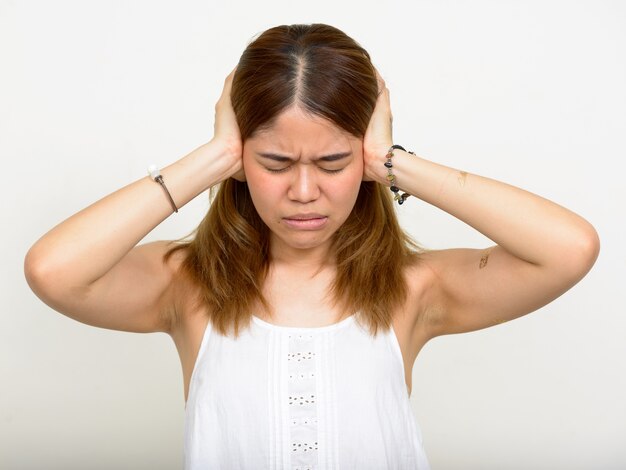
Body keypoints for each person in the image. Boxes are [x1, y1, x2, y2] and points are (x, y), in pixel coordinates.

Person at [24, 23, 599, 470]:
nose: (304, 192)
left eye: (333, 162)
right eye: (275, 162)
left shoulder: (413, 288)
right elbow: (53, 271)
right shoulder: (188, 282)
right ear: (242, 156)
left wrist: (391, 162)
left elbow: (569, 248)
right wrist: (215, 157)